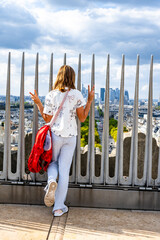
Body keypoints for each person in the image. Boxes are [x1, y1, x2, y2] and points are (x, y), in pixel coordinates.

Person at [29, 65, 94, 217]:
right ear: (73, 77)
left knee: (52, 163)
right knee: (64, 171)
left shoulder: (52, 95)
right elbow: (82, 118)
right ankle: (58, 208)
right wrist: (90, 100)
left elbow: (46, 119)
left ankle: (51, 180)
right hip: (70, 136)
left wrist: (38, 102)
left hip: (55, 135)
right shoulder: (77, 94)